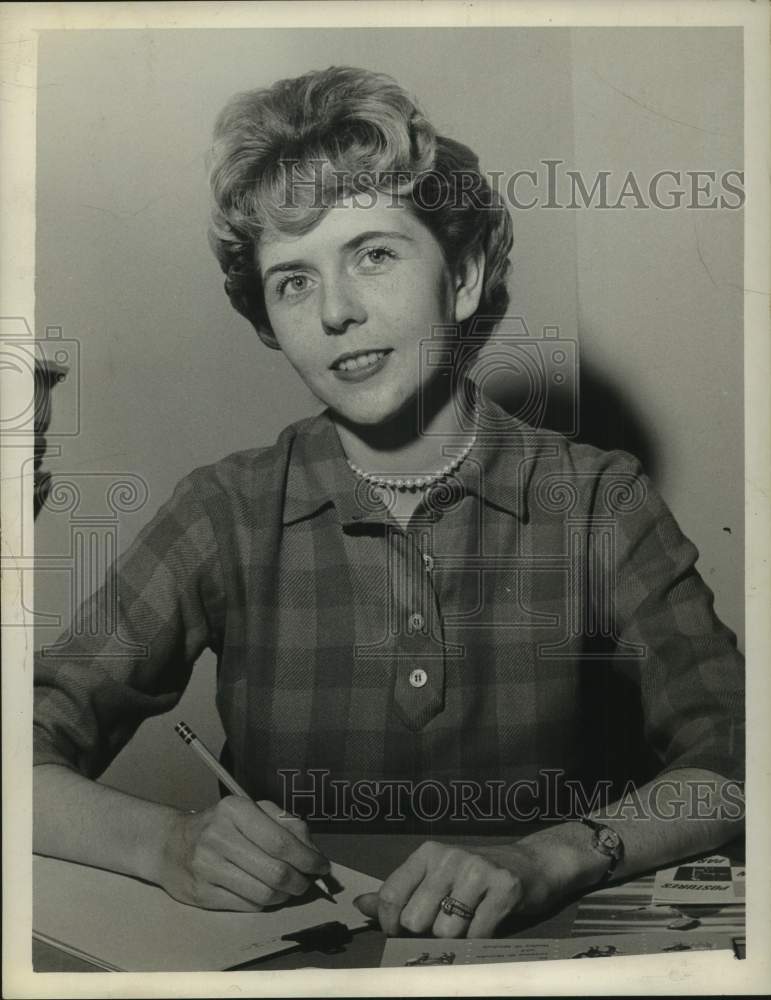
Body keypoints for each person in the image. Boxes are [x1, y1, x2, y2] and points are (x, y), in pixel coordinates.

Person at [33, 66, 744, 941]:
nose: (336, 310)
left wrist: (548, 856)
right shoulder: (225, 509)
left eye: (373, 253)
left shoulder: (599, 498)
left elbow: (739, 755)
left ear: (466, 274)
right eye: (292, 279)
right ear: (267, 318)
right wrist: (168, 843)